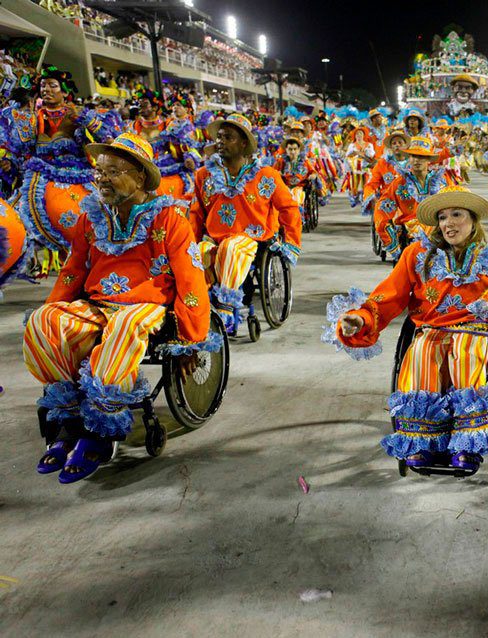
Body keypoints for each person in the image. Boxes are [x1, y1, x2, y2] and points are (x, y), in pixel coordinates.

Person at [22, 133, 218, 484]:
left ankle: (100, 432)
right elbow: (72, 271)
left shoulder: (169, 219)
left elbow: (191, 281)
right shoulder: (90, 217)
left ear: (140, 176)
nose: (101, 179)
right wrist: (56, 311)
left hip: (147, 306)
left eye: (113, 172)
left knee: (125, 323)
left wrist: (192, 341)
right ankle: (69, 420)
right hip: (98, 303)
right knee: (42, 320)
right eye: (99, 172)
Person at [323, 186, 488, 473]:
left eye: (456, 215)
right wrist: (361, 319)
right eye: (442, 217)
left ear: (473, 219)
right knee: (421, 354)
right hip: (432, 329)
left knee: (466, 354)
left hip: (476, 331)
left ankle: (467, 444)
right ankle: (423, 440)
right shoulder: (417, 254)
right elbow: (389, 295)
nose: (448, 223)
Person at [187, 114, 303, 332]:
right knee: (199, 254)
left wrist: (291, 243)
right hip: (215, 239)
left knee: (232, 248)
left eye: (228, 137)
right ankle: (201, 313)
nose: (220, 141)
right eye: (219, 137)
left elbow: (289, 208)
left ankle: (226, 310)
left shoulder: (266, 175)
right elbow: (196, 213)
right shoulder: (204, 174)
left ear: (243, 144)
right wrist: (190, 244)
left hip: (254, 239)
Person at [2, 66, 118, 275]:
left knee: (91, 230)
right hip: (39, 180)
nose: (46, 89)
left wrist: (86, 121)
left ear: (64, 92)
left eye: (52, 85)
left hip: (77, 180)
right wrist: (8, 161)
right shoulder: (32, 119)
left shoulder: (80, 115)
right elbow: (19, 150)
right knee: (12, 224)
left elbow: (110, 140)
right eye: (43, 85)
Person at [373, 136, 449, 261]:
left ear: (429, 160)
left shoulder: (441, 182)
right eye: (413, 156)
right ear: (409, 158)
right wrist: (391, 241)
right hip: (408, 236)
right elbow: (382, 210)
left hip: (439, 236)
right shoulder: (400, 183)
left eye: (421, 157)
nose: (416, 160)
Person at [361, 129, 410, 217]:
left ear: (406, 145)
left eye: (400, 143)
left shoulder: (414, 162)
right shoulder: (383, 163)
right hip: (388, 203)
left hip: (410, 202)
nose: (397, 145)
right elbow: (371, 184)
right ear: (390, 147)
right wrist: (372, 197)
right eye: (394, 143)